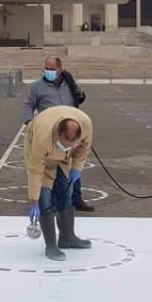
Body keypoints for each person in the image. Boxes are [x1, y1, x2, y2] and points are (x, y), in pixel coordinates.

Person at [22, 56, 94, 212]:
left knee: (74, 167)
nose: (48, 71)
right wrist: (30, 124)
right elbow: (28, 106)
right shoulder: (37, 87)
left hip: (71, 130)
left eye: (51, 69)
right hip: (51, 132)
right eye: (46, 68)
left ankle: (76, 198)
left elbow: (78, 98)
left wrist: (80, 96)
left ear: (60, 69)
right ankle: (52, 204)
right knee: (50, 170)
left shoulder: (69, 83)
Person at [25, 106, 93, 261]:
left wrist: (76, 168)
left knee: (66, 192)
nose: (67, 146)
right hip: (42, 154)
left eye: (71, 144)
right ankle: (51, 244)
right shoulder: (42, 137)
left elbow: (84, 149)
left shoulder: (86, 125)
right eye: (64, 143)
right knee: (45, 197)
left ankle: (67, 237)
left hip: (64, 159)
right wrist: (33, 201)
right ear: (58, 134)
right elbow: (35, 171)